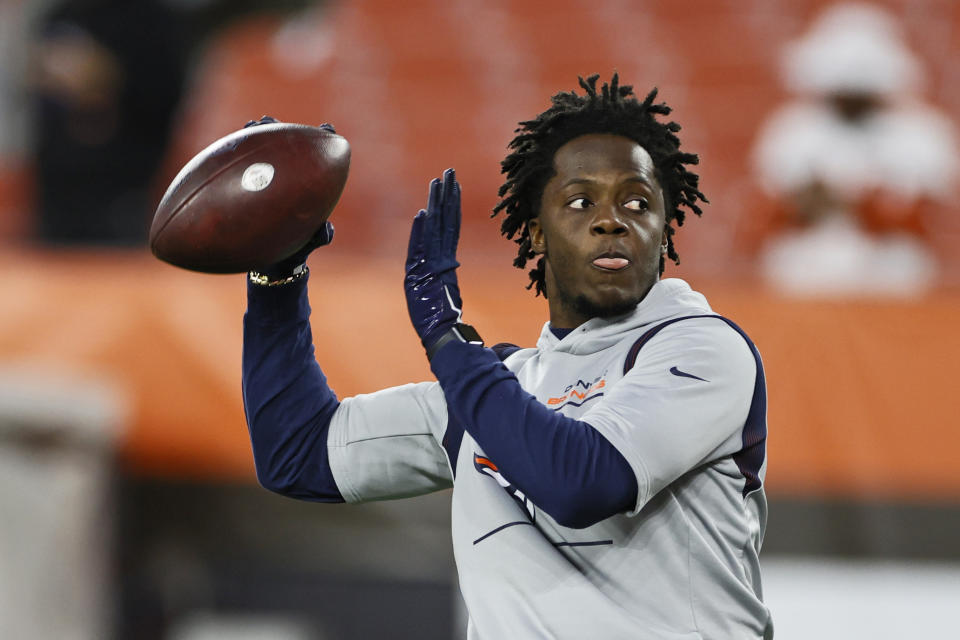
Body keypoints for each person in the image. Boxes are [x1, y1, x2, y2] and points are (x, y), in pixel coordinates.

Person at [242, 75, 772, 639]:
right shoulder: (495, 389)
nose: (612, 219)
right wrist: (277, 278)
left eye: (637, 202)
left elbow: (583, 482)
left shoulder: (703, 346)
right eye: (580, 200)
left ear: (664, 232)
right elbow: (296, 454)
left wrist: (448, 337)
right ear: (536, 234)